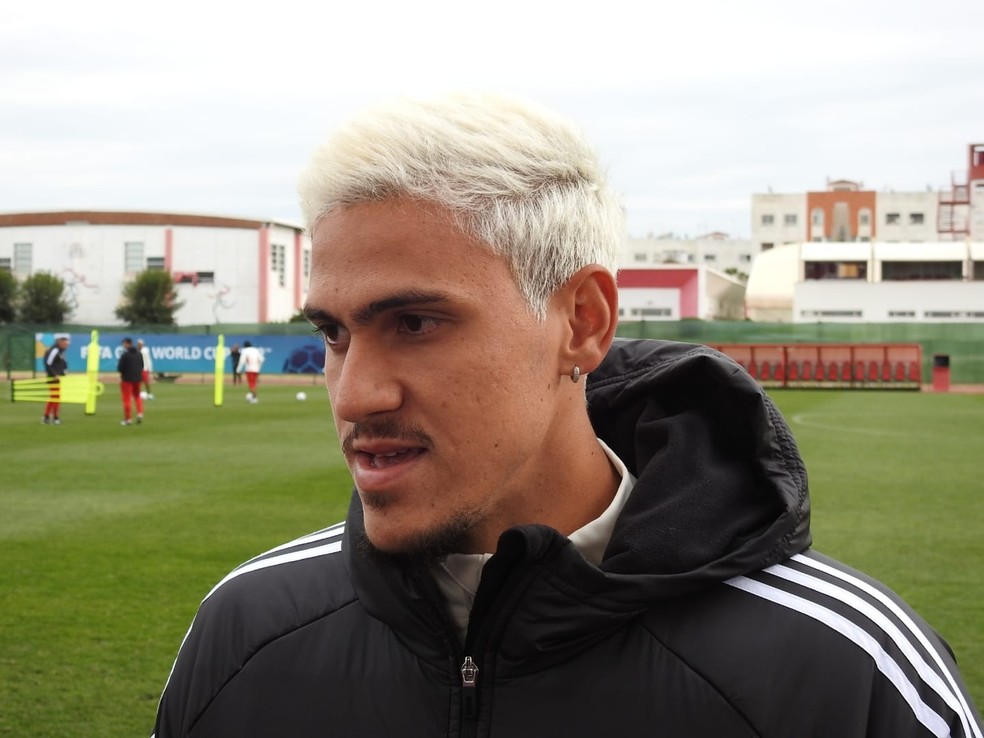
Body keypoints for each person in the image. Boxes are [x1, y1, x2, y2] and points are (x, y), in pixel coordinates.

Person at [153, 95, 982, 737]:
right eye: (334, 332)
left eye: (416, 323)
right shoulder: (245, 629)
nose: (355, 393)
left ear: (582, 322)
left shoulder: (843, 667)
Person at [42, 333, 69, 425]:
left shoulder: (61, 352)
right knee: (55, 397)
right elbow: (48, 364)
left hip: (58, 378)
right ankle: (54, 417)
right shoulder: (54, 351)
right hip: (53, 378)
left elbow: (62, 365)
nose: (67, 343)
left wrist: (64, 372)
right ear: (59, 341)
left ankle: (48, 417)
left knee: (54, 397)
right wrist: (54, 375)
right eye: (65, 341)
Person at [117, 337, 144, 426]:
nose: (123, 345)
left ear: (127, 343)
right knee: (137, 396)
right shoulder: (139, 354)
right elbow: (142, 366)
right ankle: (140, 413)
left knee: (127, 399)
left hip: (127, 379)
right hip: (137, 378)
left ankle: (128, 419)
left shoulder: (125, 355)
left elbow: (120, 368)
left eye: (124, 343)